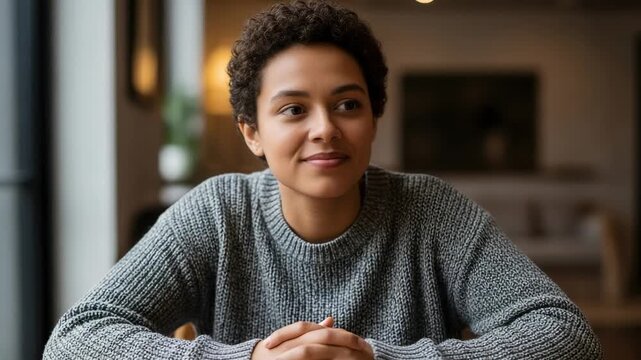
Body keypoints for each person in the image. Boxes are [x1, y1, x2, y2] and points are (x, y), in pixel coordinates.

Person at [44, 1, 602, 359]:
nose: (325, 130)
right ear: (251, 132)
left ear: (373, 117)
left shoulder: (431, 210)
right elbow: (75, 340)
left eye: (348, 104)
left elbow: (565, 335)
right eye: (292, 109)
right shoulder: (217, 211)